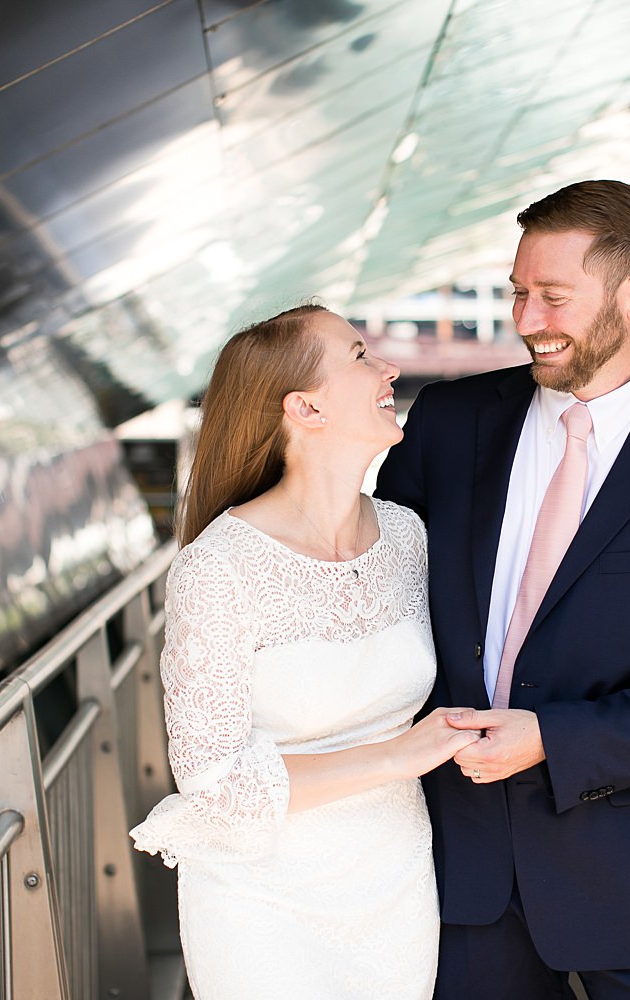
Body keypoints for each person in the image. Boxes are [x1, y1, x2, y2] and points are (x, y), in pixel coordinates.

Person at [375, 180, 630, 999]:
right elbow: (373, 596)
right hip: (460, 878)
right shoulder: (447, 424)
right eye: (518, 294)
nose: (527, 320)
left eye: (553, 297)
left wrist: (553, 739)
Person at [130, 304, 479, 999]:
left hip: (395, 884)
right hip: (261, 903)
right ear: (306, 408)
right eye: (358, 356)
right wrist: (399, 755)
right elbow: (212, 782)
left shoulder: (408, 538)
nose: (390, 369)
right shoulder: (217, 567)